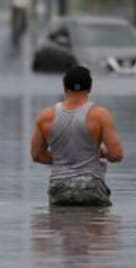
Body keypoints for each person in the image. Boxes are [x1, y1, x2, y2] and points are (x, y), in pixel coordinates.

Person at [31, 66, 124, 206]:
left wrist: (64, 159)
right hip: (90, 187)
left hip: (59, 187)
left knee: (59, 225)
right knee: (102, 224)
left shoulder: (45, 116)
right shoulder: (100, 115)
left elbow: (37, 155)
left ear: (64, 87)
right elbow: (116, 155)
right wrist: (102, 153)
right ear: (90, 88)